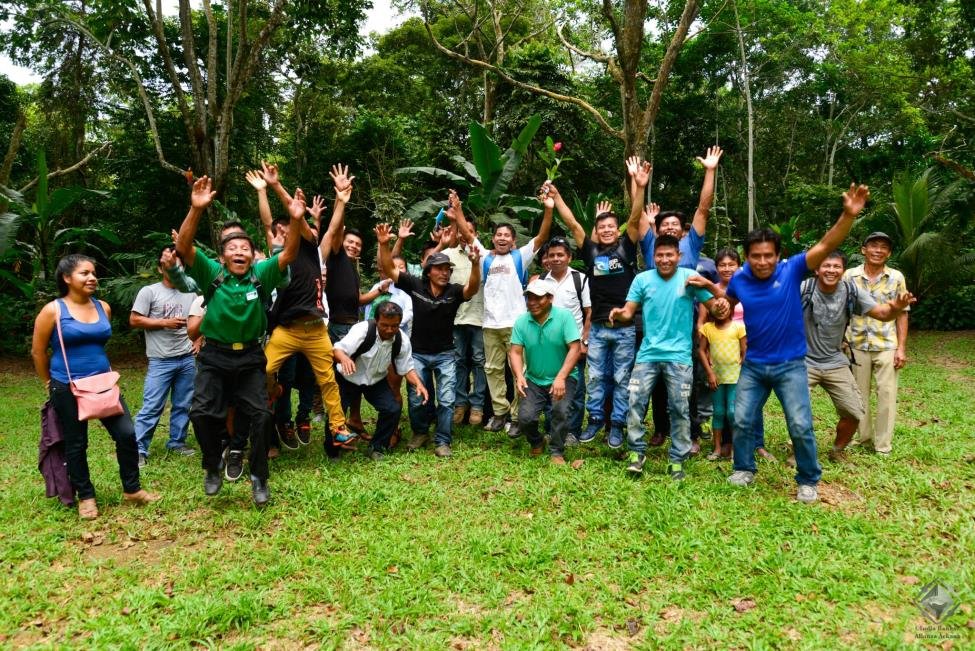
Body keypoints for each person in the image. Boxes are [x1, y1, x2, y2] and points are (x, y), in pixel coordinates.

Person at [716, 183, 872, 504]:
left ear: (778, 255)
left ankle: (808, 478)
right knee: (741, 418)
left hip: (790, 365)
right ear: (747, 257)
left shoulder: (792, 270)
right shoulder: (741, 278)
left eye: (768, 256)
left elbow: (828, 242)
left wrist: (848, 215)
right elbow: (728, 304)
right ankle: (744, 468)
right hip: (755, 364)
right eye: (756, 256)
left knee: (800, 424)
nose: (762, 262)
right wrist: (721, 306)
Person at [174, 175, 302, 506]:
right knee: (201, 414)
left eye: (245, 247)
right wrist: (196, 209)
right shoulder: (212, 274)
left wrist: (298, 220)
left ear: (252, 256)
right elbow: (184, 247)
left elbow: (288, 254)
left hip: (249, 358)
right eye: (232, 248)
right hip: (214, 357)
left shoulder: (262, 274)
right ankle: (213, 464)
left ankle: (259, 477)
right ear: (223, 256)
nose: (239, 251)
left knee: (261, 416)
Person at [31, 254, 160, 519]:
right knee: (76, 443)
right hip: (67, 385)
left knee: (126, 434)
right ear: (66, 278)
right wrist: (49, 381)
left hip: (103, 382)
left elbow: (98, 342)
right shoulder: (53, 311)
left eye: (93, 273)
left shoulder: (104, 307)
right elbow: (38, 351)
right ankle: (86, 496)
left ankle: (132, 490)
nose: (92, 278)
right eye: (84, 273)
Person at [259, 162, 358, 459]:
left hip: (315, 329)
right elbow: (276, 223)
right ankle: (271, 395)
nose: (294, 228)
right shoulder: (279, 257)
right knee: (263, 370)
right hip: (287, 330)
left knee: (327, 379)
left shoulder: (315, 249)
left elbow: (325, 226)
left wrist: (340, 200)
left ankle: (339, 427)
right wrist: (274, 187)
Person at [607, 235, 725, 480]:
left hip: (680, 356)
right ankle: (636, 454)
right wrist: (618, 313)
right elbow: (628, 312)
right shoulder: (642, 279)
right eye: (659, 255)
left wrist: (715, 295)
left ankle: (677, 460)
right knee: (635, 403)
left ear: (678, 256)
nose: (664, 259)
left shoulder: (690, 278)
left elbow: (715, 307)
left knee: (680, 408)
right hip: (648, 354)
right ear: (653, 257)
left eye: (669, 254)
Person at [547, 162, 644, 448]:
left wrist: (639, 184)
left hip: (625, 327)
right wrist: (557, 197)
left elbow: (637, 217)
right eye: (601, 226)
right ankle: (596, 421)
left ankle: (617, 427)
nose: (606, 230)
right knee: (598, 378)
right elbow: (573, 224)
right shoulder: (590, 252)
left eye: (611, 226)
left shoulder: (626, 247)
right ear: (597, 230)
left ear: (618, 229)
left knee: (621, 378)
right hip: (599, 329)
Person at [375, 222, 481, 458]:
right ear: (429, 271)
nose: (445, 273)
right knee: (416, 399)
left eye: (448, 269)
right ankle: (420, 432)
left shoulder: (453, 291)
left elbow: (472, 289)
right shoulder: (416, 285)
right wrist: (384, 244)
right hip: (417, 353)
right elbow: (390, 269)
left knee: (446, 399)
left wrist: (476, 264)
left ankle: (443, 440)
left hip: (445, 354)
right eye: (440, 269)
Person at [803, 250, 914, 460]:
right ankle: (799, 451)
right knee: (798, 411)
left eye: (836, 267)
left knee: (854, 412)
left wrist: (896, 307)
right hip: (804, 361)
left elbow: (882, 314)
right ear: (816, 269)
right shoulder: (805, 288)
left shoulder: (850, 291)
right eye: (826, 266)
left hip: (836, 361)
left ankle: (837, 450)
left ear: (842, 271)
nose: (831, 270)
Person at [479, 193, 554, 434]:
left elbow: (541, 237)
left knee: (518, 371)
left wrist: (549, 209)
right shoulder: (484, 258)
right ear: (493, 239)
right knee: (492, 369)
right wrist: (457, 210)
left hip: (515, 324)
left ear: (513, 241)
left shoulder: (519, 256)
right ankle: (500, 413)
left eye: (506, 236)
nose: (502, 238)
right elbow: (469, 236)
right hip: (490, 324)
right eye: (498, 235)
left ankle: (517, 416)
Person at [333, 301, 430, 459]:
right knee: (337, 412)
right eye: (384, 325)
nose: (389, 330)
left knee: (392, 408)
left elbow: (407, 368)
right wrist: (344, 359)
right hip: (348, 377)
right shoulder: (362, 330)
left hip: (375, 381)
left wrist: (419, 383)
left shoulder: (402, 340)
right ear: (376, 320)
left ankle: (377, 447)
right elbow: (337, 349)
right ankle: (332, 450)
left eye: (395, 326)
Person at [130, 245, 199, 466]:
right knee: (152, 406)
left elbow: (201, 318)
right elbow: (134, 320)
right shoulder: (149, 292)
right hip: (160, 360)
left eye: (178, 262)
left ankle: (177, 442)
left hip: (187, 358)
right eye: (168, 262)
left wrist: (198, 340)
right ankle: (139, 448)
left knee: (183, 404)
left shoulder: (191, 292)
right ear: (161, 268)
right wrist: (163, 323)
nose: (173, 265)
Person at [844, 232, 912, 455]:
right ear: (863, 250)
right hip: (856, 344)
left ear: (889, 253)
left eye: (884, 247)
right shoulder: (849, 276)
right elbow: (841, 308)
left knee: (886, 395)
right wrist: (841, 341)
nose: (878, 250)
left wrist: (901, 348)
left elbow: (902, 313)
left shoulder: (896, 277)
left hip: (886, 345)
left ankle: (883, 446)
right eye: (873, 245)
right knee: (858, 395)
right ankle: (863, 438)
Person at [509, 279, 582, 464]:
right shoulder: (521, 321)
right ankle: (537, 441)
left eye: (538, 298)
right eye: (529, 298)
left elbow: (575, 348)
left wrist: (561, 377)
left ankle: (556, 450)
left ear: (550, 298)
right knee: (525, 418)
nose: (532, 302)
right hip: (533, 378)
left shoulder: (564, 317)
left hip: (563, 377)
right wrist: (518, 376)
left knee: (560, 411)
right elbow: (515, 352)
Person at [539, 236, 591, 444]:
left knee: (576, 391)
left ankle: (573, 432)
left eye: (560, 254)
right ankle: (552, 429)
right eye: (552, 255)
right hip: (549, 347)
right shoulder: (542, 281)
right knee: (549, 388)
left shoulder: (580, 279)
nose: (556, 258)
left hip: (574, 345)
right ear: (547, 259)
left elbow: (589, 312)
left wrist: (585, 341)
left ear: (569, 257)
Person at [697, 303, 746, 460]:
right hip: (716, 378)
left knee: (732, 412)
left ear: (731, 309)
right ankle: (717, 448)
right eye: (716, 307)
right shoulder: (708, 328)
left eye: (724, 307)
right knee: (718, 412)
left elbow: (745, 350)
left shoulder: (738, 327)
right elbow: (701, 350)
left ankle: (735, 448)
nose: (720, 310)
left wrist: (742, 366)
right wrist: (710, 373)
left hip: (735, 377)